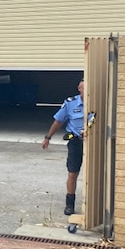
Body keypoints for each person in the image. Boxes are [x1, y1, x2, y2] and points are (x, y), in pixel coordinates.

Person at [41, 79, 85, 216]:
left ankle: (95, 204)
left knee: (97, 174)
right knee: (73, 172)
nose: (87, 90)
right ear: (79, 88)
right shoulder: (71, 103)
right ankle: (69, 204)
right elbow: (58, 121)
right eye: (84, 87)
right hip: (76, 141)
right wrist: (48, 137)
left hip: (95, 143)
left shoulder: (99, 102)